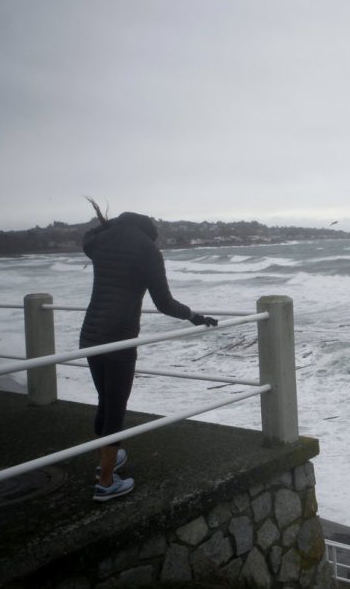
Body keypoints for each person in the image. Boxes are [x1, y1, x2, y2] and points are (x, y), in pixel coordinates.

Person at [79, 200, 217, 502]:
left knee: (105, 399)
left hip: (90, 333)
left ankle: (108, 458)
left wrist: (111, 224)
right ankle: (105, 481)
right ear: (149, 232)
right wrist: (194, 316)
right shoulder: (147, 250)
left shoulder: (101, 240)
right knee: (115, 407)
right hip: (120, 337)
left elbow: (87, 238)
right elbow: (164, 303)